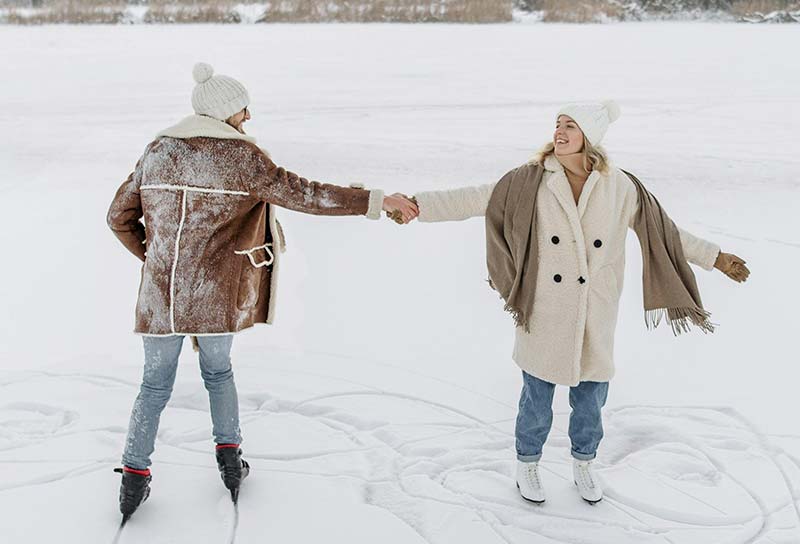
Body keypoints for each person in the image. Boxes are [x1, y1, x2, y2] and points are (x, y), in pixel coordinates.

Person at [106, 62, 418, 521]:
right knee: (218, 374)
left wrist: (156, 262)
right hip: (214, 295)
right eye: (242, 108)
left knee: (153, 385)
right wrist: (376, 201)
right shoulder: (243, 159)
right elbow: (306, 194)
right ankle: (231, 462)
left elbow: (118, 217)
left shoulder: (157, 152)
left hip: (161, 298)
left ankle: (134, 479)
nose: (248, 116)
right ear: (224, 112)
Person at [396, 101, 749, 504]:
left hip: (595, 309)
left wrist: (714, 257)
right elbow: (474, 198)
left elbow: (664, 231)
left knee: (591, 400)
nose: (560, 132)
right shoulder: (528, 180)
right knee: (537, 397)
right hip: (545, 307)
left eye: (570, 126)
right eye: (558, 124)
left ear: (590, 137)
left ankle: (584, 463)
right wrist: (416, 205)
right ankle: (527, 463)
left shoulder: (620, 187)